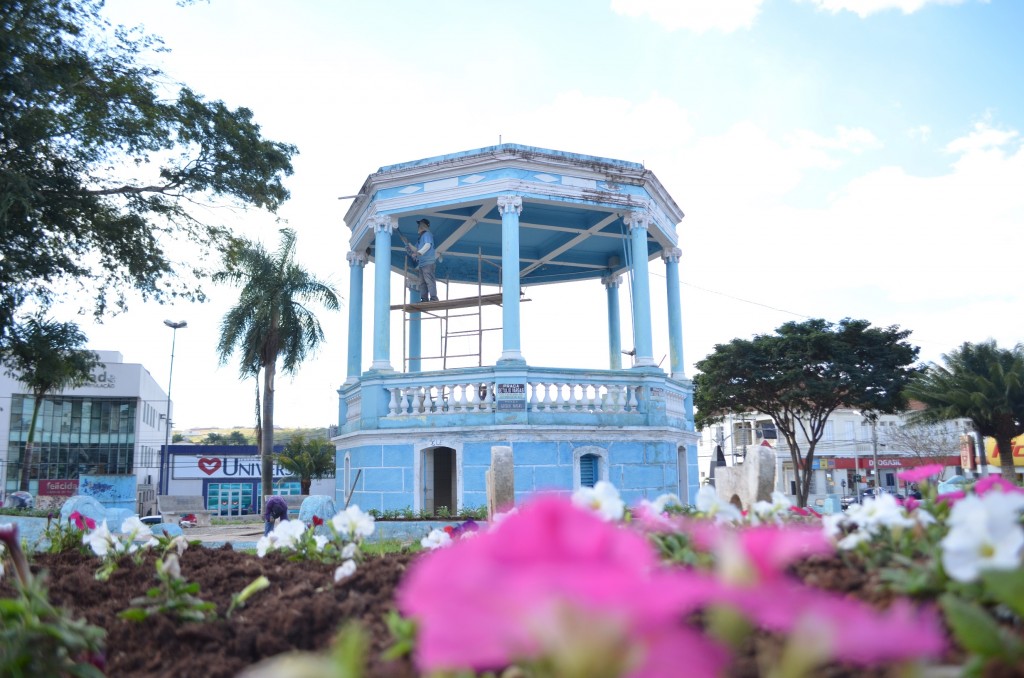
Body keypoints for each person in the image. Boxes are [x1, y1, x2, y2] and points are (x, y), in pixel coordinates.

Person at [408, 218, 438, 301]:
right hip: (422, 263)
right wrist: (409, 246)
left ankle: (433, 298)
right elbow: (415, 249)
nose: (419, 226)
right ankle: (424, 298)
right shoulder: (420, 238)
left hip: (428, 262)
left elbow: (427, 245)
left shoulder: (427, 234)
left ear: (424, 226)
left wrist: (419, 253)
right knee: (422, 282)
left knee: (429, 280)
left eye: (420, 224)